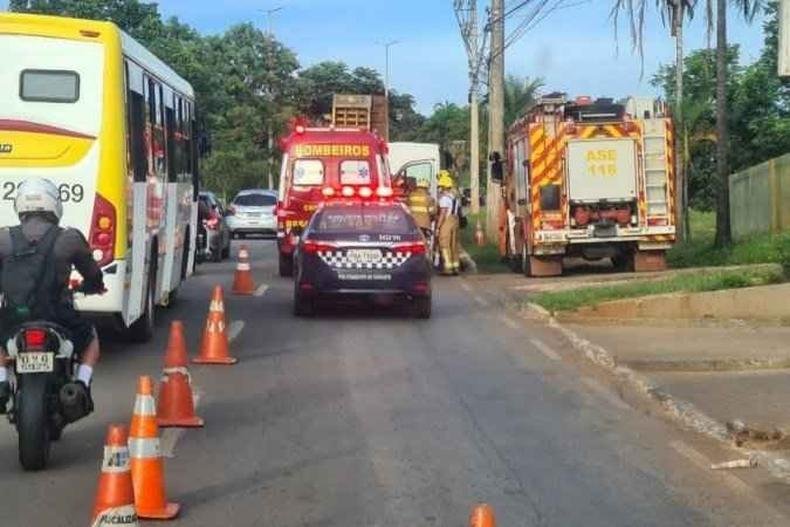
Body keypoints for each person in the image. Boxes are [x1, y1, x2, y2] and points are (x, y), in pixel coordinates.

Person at [0, 178, 105, 418]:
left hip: (15, 315)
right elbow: (92, 274)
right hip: (57, 315)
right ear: (54, 205)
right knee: (90, 339)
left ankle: (2, 381)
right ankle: (81, 383)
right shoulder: (69, 238)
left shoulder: (3, 239)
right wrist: (93, 286)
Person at [436, 171, 460, 276]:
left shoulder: (444, 199)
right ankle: (455, 267)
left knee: (445, 244)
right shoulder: (455, 197)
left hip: (447, 222)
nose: (439, 189)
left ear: (444, 187)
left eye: (440, 187)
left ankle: (448, 268)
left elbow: (443, 213)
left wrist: (438, 227)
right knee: (453, 245)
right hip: (455, 221)